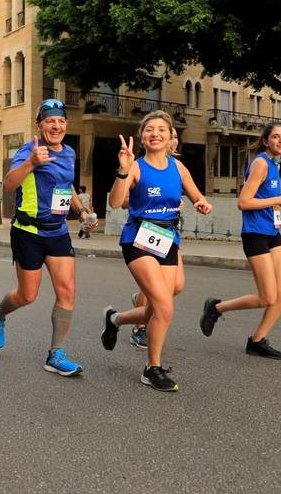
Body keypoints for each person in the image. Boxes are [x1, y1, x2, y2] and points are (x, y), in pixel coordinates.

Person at [100, 111, 212, 392]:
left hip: (167, 238)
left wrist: (202, 203)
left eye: (161, 129)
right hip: (138, 238)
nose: (155, 133)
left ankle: (115, 319)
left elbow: (197, 195)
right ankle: (152, 368)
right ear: (142, 137)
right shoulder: (136, 167)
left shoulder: (178, 167)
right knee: (164, 306)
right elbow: (115, 202)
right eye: (149, 129)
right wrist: (123, 168)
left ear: (170, 136)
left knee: (157, 303)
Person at [0, 99, 95, 377]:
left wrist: (81, 212)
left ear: (66, 124)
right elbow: (9, 183)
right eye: (49, 121)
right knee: (27, 295)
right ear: (39, 125)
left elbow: (65, 185)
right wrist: (32, 162)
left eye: (60, 121)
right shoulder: (29, 151)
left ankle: (56, 354)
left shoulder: (68, 153)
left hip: (57, 232)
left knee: (67, 292)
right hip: (28, 232)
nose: (55, 126)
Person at [199, 122, 281, 359]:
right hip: (256, 235)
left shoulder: (275, 164)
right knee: (267, 297)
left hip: (272, 232)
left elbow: (267, 198)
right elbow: (244, 202)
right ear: (266, 141)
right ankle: (216, 308)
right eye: (276, 136)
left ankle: (256, 341)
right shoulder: (260, 163)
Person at [127, 127, 185, 350]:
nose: (174, 140)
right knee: (156, 287)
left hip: (169, 232)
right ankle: (139, 328)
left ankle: (139, 302)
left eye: (175, 135)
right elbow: (123, 202)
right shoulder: (141, 165)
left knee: (176, 286)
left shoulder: (175, 166)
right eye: (172, 135)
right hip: (146, 231)